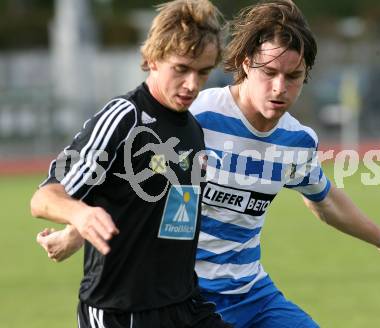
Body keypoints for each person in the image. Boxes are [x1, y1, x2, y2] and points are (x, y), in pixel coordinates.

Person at [36, 1, 380, 327]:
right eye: (270, 73)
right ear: (245, 63)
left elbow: (324, 199)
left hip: (253, 293)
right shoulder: (197, 116)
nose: (280, 88)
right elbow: (136, 187)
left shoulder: (297, 141)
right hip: (187, 294)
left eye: (293, 76)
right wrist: (77, 228)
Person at [30, 0, 233, 327]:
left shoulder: (192, 129)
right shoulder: (124, 118)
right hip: (120, 313)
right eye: (181, 69)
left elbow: (146, 205)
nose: (193, 85)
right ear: (153, 59)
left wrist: (74, 234)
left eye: (203, 72)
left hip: (183, 304)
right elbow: (44, 198)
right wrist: (79, 215)